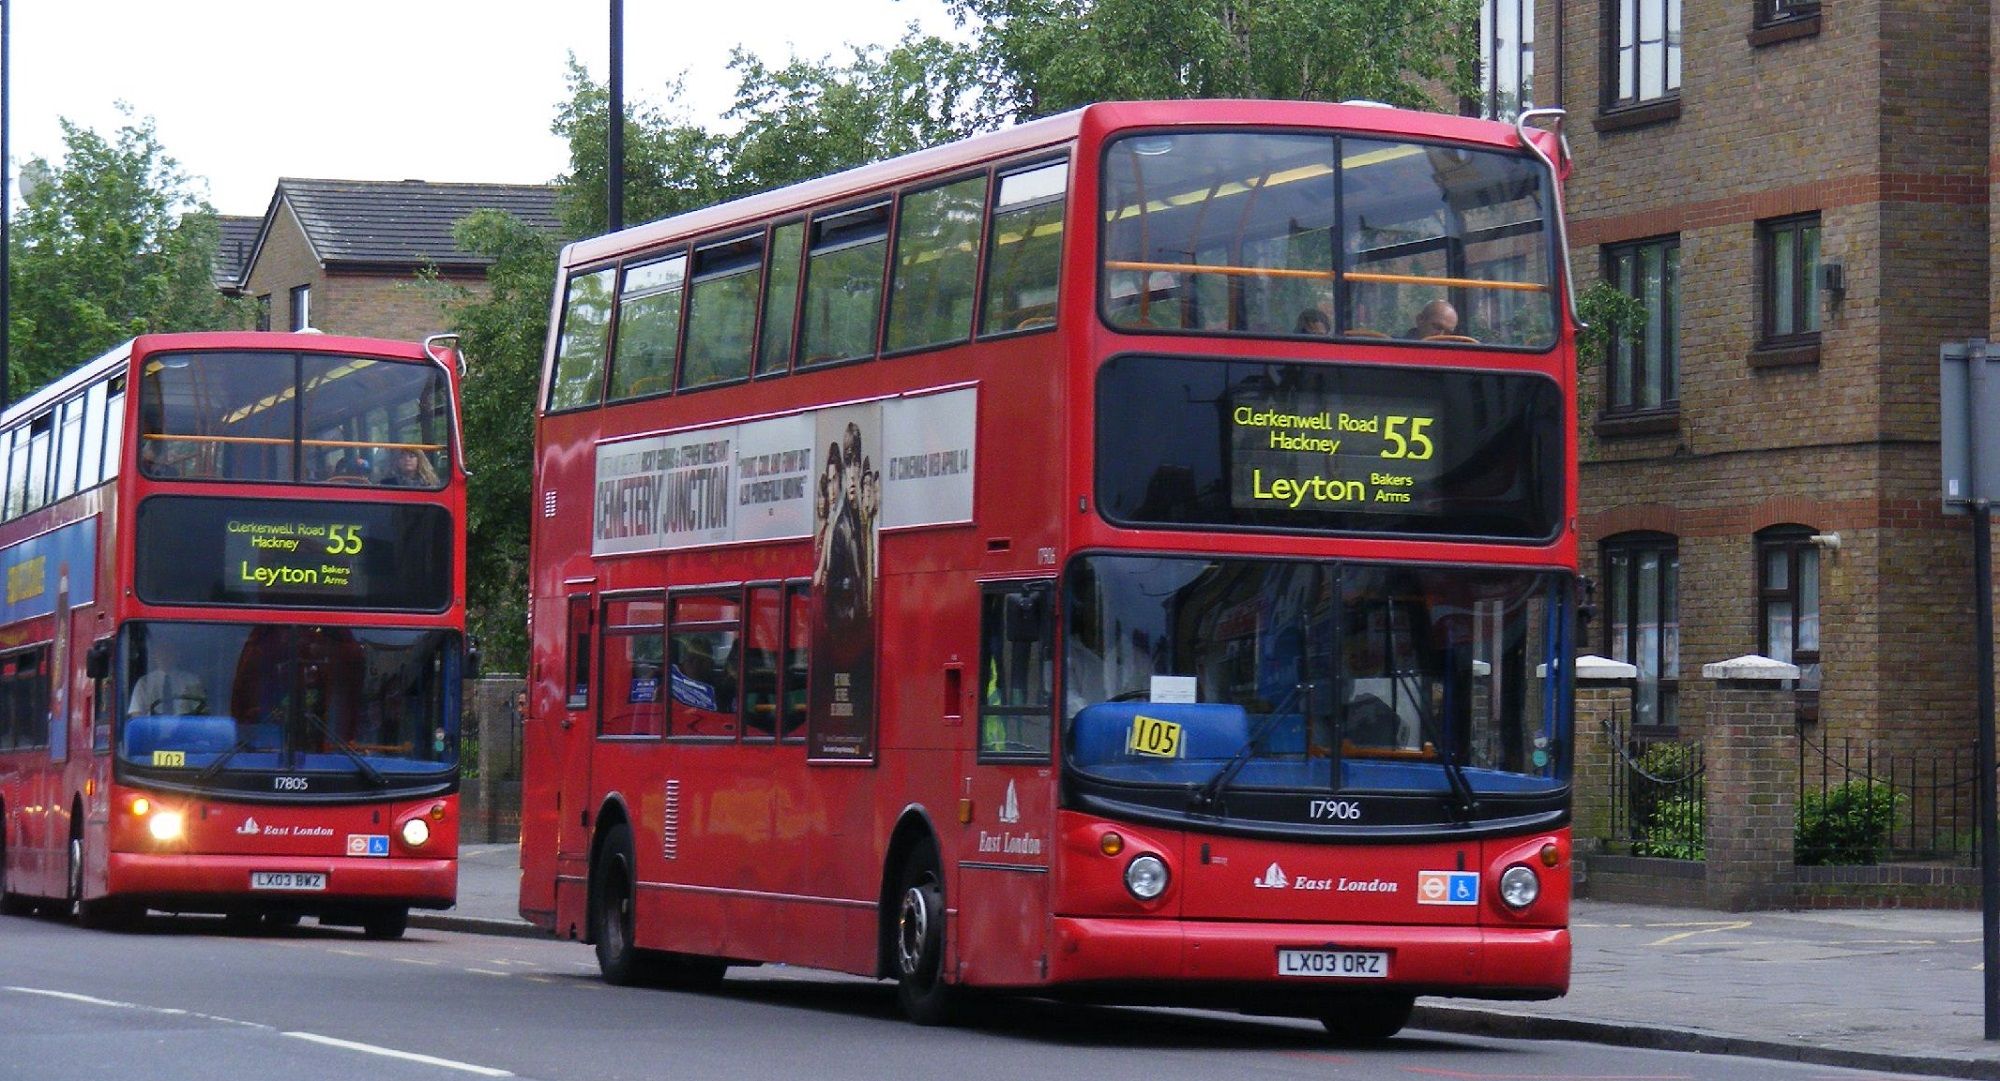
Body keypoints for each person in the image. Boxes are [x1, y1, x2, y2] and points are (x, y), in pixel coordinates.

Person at [128, 636, 207, 716]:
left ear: (176, 654)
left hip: (185, 727)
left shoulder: (192, 681)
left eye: (169, 652)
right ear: (154, 656)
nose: (164, 656)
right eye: (160, 652)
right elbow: (135, 713)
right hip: (151, 727)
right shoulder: (144, 683)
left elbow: (202, 712)